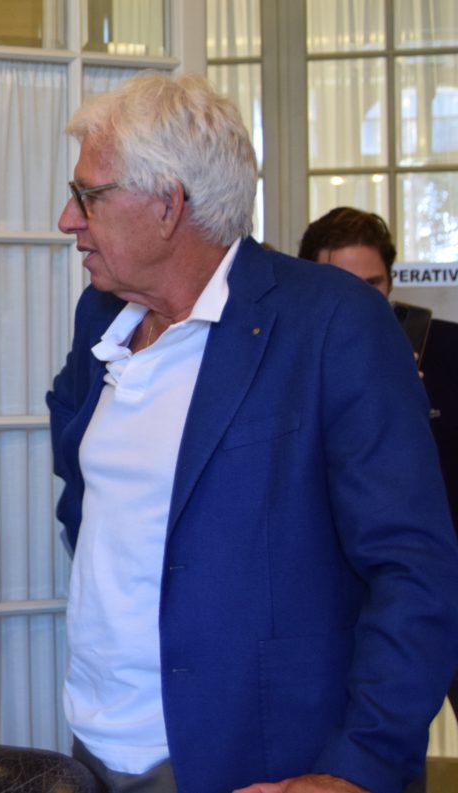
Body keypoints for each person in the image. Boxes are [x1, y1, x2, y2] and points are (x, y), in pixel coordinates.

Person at [48, 71, 458, 793]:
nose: (67, 219)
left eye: (89, 195)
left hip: (255, 759)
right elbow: (90, 496)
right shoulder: (101, 317)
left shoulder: (333, 322)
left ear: (169, 204)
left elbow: (414, 568)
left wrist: (358, 769)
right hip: (95, 740)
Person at [298, 205, 458, 727]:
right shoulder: (293, 361)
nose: (363, 301)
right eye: (344, 285)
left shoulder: (447, 349)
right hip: (347, 597)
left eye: (373, 284)